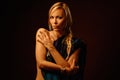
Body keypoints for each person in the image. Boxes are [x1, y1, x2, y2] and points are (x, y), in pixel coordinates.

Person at [35, 2, 87, 80]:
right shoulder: (43, 33)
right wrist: (63, 69)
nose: (54, 22)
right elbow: (41, 63)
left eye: (59, 17)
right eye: (51, 17)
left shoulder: (76, 43)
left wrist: (51, 47)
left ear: (67, 19)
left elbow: (69, 70)